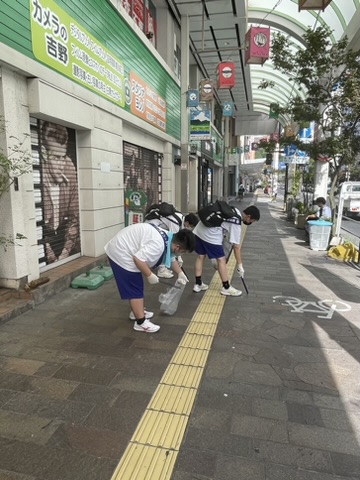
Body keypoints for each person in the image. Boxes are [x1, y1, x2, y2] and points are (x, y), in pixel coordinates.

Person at [104, 223, 195, 333]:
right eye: (183, 252)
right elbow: (138, 259)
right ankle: (141, 322)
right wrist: (149, 275)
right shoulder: (158, 245)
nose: (182, 255)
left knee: (135, 286)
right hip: (121, 252)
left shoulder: (169, 237)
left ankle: (136, 311)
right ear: (178, 247)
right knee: (135, 287)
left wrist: (180, 273)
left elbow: (171, 257)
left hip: (124, 248)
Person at [193, 205, 260, 296]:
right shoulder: (236, 222)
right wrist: (240, 265)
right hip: (211, 233)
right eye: (252, 221)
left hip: (199, 228)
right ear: (248, 217)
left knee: (201, 256)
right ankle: (226, 287)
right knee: (221, 260)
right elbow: (236, 247)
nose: (251, 223)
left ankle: (198, 284)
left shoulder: (234, 210)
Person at [41, 121, 80, 264]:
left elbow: (74, 216)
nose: (61, 165)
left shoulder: (69, 168)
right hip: (46, 235)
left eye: (62, 158)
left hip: (62, 234)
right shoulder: (38, 175)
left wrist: (64, 254)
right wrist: (48, 252)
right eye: (56, 158)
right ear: (44, 154)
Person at [145, 211, 199, 278]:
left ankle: (163, 268)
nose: (191, 229)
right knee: (164, 250)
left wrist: (180, 272)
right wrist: (149, 275)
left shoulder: (180, 217)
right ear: (187, 223)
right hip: (151, 226)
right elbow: (174, 242)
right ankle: (161, 270)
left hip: (154, 226)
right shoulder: (175, 223)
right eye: (191, 226)